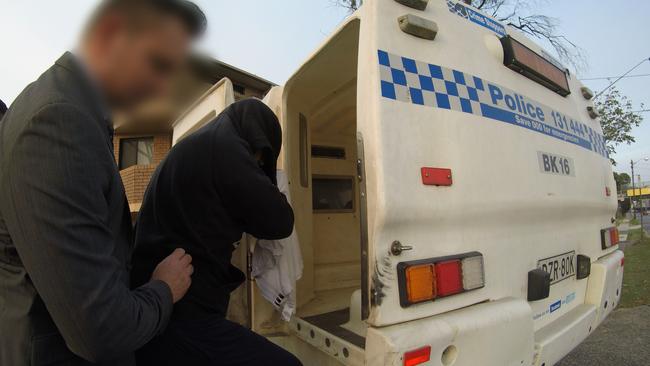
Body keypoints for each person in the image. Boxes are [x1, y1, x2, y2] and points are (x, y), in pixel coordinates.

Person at [0, 1, 205, 365]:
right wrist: (164, 288)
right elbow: (101, 331)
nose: (161, 87)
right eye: (157, 64)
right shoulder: (57, 122)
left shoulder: (77, 110)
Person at [131, 99, 303, 366]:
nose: (258, 164)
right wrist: (273, 184)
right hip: (182, 317)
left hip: (160, 309)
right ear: (258, 138)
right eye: (262, 158)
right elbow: (280, 221)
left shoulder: (201, 144)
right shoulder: (226, 149)